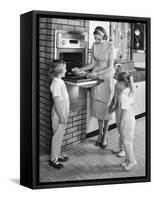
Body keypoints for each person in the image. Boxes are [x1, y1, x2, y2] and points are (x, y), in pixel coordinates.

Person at [73, 26, 115, 148]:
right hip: (95, 77)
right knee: (97, 107)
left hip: (106, 78)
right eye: (95, 39)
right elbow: (92, 64)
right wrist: (80, 69)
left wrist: (96, 73)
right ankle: (100, 134)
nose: (96, 41)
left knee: (106, 108)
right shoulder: (94, 45)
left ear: (104, 36)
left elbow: (110, 67)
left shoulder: (110, 46)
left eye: (98, 39)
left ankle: (105, 135)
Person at [48, 59, 70, 169]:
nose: (66, 70)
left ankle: (57, 155)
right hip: (58, 114)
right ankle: (53, 159)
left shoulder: (59, 81)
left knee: (60, 136)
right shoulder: (56, 83)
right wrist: (61, 116)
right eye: (65, 68)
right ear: (59, 71)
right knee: (57, 137)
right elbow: (56, 101)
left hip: (62, 113)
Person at [116, 72, 137, 171]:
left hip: (127, 120)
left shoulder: (123, 95)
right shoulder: (129, 90)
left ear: (121, 83)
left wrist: (120, 123)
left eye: (117, 82)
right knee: (125, 141)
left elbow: (124, 112)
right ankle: (128, 160)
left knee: (127, 142)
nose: (116, 84)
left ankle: (132, 161)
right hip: (131, 118)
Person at [108, 65, 126, 157]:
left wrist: (113, 109)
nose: (114, 74)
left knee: (122, 130)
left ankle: (124, 149)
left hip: (122, 111)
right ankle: (120, 146)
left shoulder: (124, 88)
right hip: (117, 110)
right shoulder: (116, 85)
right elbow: (114, 97)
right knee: (119, 129)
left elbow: (119, 102)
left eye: (116, 73)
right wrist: (111, 105)